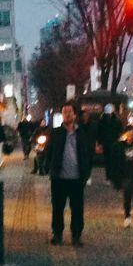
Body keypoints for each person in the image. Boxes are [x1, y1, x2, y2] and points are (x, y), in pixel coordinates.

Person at [46, 103, 96, 246]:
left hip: (77, 178)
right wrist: (51, 168)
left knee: (77, 208)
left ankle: (76, 235)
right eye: (64, 112)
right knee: (57, 208)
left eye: (69, 112)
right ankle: (57, 234)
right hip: (59, 178)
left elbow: (88, 153)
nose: (67, 114)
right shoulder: (56, 132)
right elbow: (49, 152)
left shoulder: (82, 133)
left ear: (74, 115)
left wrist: (86, 172)